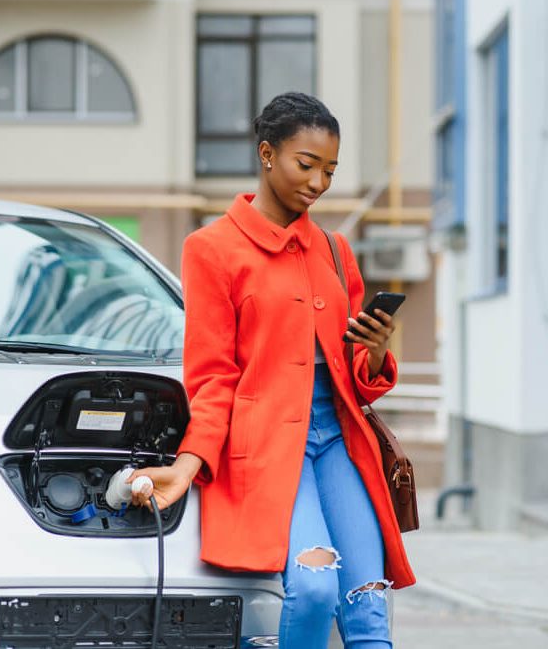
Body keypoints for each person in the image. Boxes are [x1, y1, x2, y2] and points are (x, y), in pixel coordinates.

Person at [130, 92, 415, 648]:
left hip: (339, 440)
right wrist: (188, 466)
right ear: (266, 153)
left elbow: (356, 376)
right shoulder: (211, 249)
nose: (318, 183)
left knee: (368, 608)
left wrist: (376, 351)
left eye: (329, 171)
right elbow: (212, 377)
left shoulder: (335, 251)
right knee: (312, 590)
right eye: (305, 165)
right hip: (265, 447)